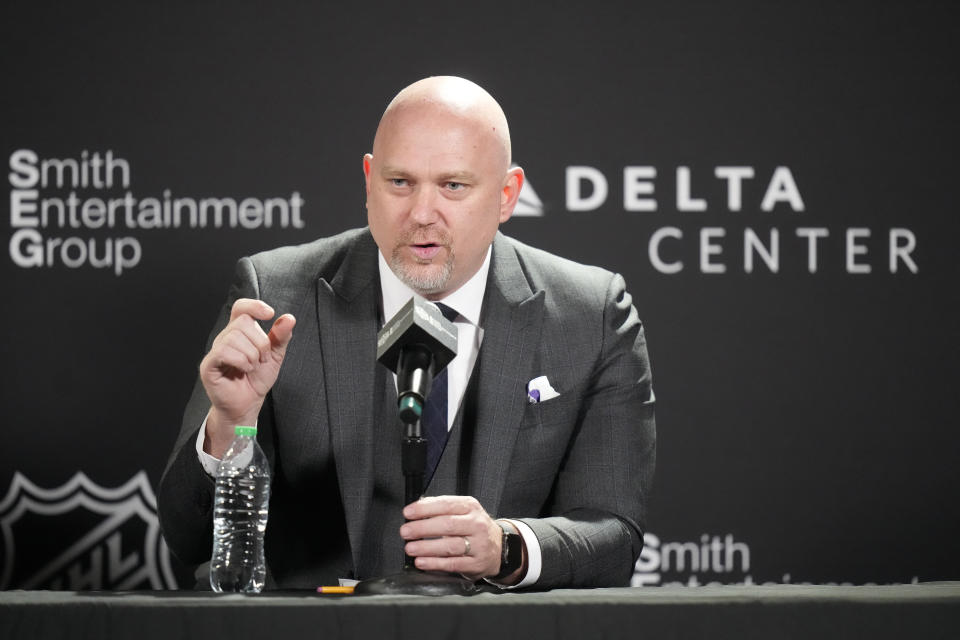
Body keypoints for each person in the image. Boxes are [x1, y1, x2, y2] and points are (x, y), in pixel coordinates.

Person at [158, 76, 656, 590]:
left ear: (507, 195)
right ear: (369, 181)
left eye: (453, 186)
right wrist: (231, 427)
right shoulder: (276, 297)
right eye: (400, 183)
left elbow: (615, 535)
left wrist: (505, 546)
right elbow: (187, 538)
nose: (421, 214)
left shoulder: (590, 314)